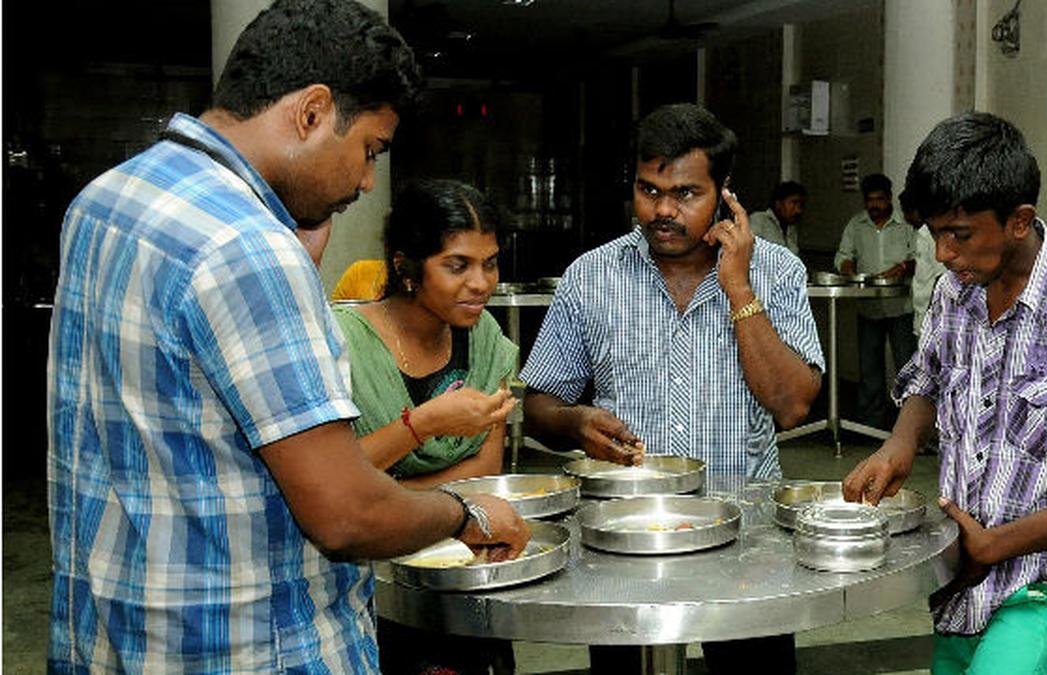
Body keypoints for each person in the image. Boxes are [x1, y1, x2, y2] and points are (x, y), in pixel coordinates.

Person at [46, 2, 530, 672]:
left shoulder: (105, 200)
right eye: (368, 149)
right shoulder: (247, 245)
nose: (365, 180)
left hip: (117, 628)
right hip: (244, 645)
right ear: (311, 111)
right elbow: (346, 514)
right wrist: (465, 512)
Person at [842, 112, 1047, 675]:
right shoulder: (954, 294)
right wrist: (900, 443)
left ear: (1019, 221)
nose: (942, 253)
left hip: (1043, 581)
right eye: (934, 233)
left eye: (959, 234)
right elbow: (929, 377)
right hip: (960, 583)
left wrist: (995, 545)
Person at [520, 102, 825, 673]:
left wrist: (737, 288)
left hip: (748, 546)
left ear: (725, 193)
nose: (662, 210)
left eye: (685, 193)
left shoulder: (777, 272)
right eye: (648, 190)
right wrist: (575, 422)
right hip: (624, 540)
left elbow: (792, 404)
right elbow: (538, 406)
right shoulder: (592, 275)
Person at [333, 179, 518, 674]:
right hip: (368, 584)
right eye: (457, 265)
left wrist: (391, 493)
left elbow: (486, 469)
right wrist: (424, 425)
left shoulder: (485, 338)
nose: (480, 283)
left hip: (466, 568)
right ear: (406, 266)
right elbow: (335, 485)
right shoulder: (342, 344)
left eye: (490, 262)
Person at [834, 172, 916, 428]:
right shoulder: (856, 224)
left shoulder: (906, 223)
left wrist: (901, 268)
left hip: (900, 306)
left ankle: (908, 425)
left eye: (879, 200)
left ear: (889, 199)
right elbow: (843, 255)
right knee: (869, 369)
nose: (874, 206)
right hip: (868, 307)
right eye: (870, 200)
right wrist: (847, 267)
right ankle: (870, 425)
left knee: (906, 368)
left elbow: (919, 257)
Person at [901, 189, 946, 339]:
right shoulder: (921, 233)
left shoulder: (930, 234)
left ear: (915, 211)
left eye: (906, 213)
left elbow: (941, 277)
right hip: (923, 316)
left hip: (933, 319)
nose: (905, 218)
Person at [747, 180, 806, 255]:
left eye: (801, 205)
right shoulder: (759, 221)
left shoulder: (791, 230)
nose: (798, 210)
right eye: (793, 203)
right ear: (778, 204)